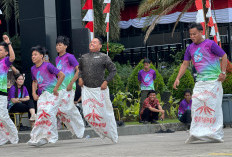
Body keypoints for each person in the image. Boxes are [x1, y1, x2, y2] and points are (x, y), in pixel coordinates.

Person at [173, 23, 227, 143]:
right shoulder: (190, 48)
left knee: (213, 108)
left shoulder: (210, 44)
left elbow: (224, 55)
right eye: (190, 34)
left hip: (214, 82)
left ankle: (214, 134)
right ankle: (196, 133)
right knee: (196, 107)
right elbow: (185, 64)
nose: (192, 36)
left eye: (194, 34)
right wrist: (178, 78)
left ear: (201, 32)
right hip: (200, 82)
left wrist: (223, 72)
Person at [78, 37, 118, 143]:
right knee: (87, 114)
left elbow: (113, 70)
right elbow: (80, 70)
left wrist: (106, 82)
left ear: (100, 46)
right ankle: (103, 132)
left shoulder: (104, 57)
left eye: (95, 42)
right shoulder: (84, 57)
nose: (92, 43)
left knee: (105, 114)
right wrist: (80, 78)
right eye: (91, 42)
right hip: (87, 90)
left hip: (100, 90)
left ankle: (113, 135)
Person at [28, 45, 65, 146]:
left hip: (54, 93)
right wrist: (33, 93)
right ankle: (38, 138)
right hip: (43, 95)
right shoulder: (32, 69)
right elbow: (34, 81)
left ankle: (50, 137)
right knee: (41, 115)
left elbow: (62, 75)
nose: (33, 57)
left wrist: (56, 88)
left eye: (35, 54)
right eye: (32, 55)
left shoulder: (48, 65)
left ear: (41, 56)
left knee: (48, 112)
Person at [55, 36, 84, 138]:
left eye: (60, 45)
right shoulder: (57, 58)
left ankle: (80, 129)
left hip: (68, 88)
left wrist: (71, 83)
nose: (58, 47)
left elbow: (79, 70)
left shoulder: (69, 57)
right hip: (59, 89)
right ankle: (74, 129)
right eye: (57, 45)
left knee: (67, 109)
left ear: (65, 46)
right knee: (60, 110)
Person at [0, 35, 18, 145]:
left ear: (6, 52)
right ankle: (3, 138)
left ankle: (14, 135)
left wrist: (9, 43)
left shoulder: (5, 61)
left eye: (0, 50)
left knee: (3, 115)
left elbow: (12, 58)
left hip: (1, 93)